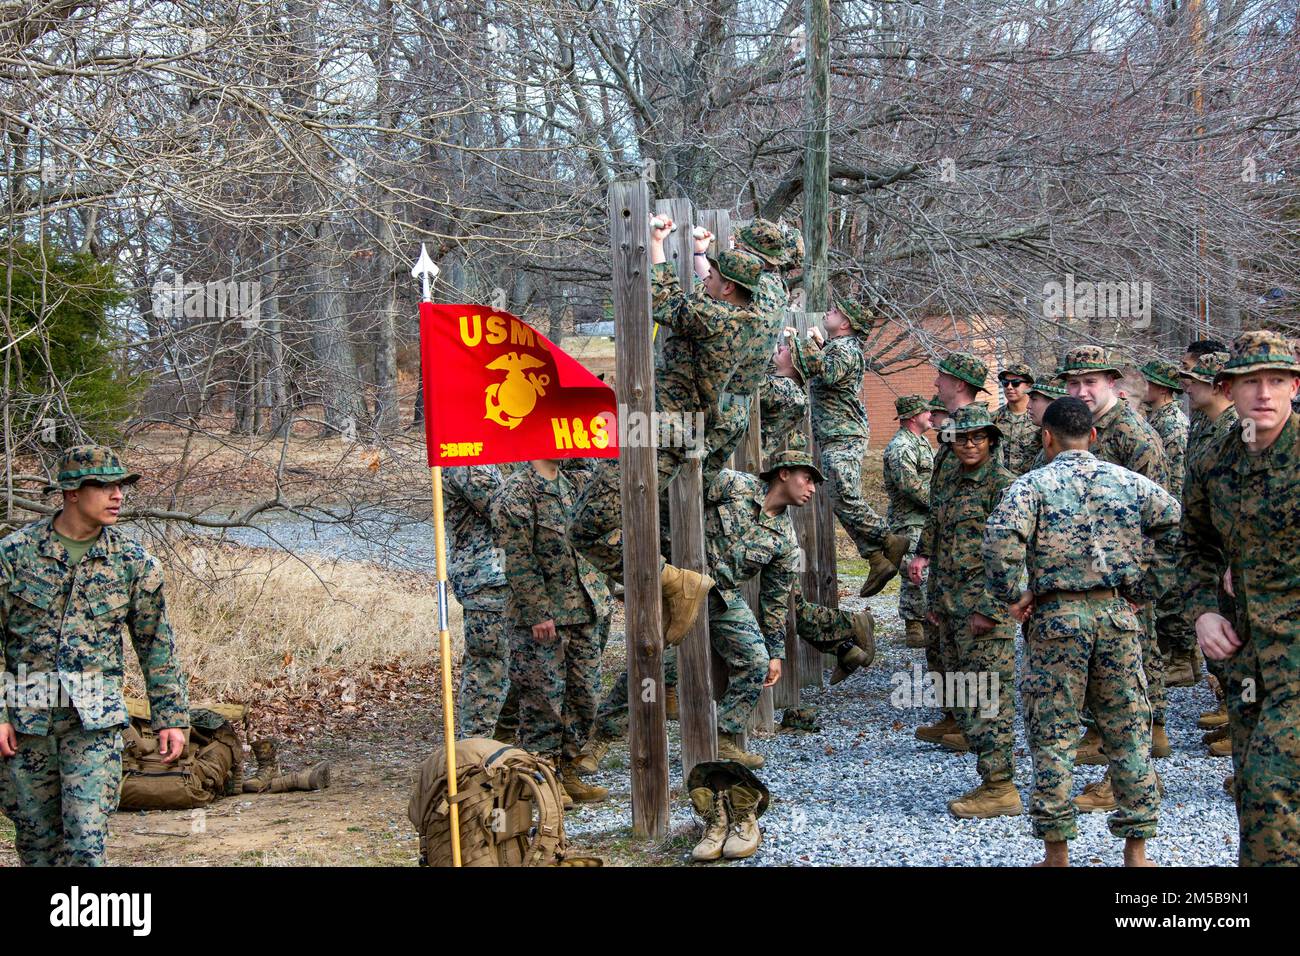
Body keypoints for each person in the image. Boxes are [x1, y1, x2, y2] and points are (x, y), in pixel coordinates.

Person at [983, 398, 1179, 867]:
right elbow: (1176, 526)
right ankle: (1137, 852)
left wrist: (1015, 595)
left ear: (1046, 437)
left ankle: (1057, 854)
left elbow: (998, 539)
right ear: (1093, 436)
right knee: (1128, 732)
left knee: (1054, 734)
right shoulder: (1131, 482)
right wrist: (1144, 589)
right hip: (1115, 616)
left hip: (1055, 620)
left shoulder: (1031, 485)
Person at [0, 445, 190, 866]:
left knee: (87, 845)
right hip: (28, 721)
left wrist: (171, 718)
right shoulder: (14, 555)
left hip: (94, 723)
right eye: (104, 486)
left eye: (120, 485)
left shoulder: (132, 562)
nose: (117, 495)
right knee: (37, 846)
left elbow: (156, 644)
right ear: (71, 492)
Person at [1181, 330, 1300, 866]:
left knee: (1273, 783)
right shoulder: (1215, 460)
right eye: (1252, 382)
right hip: (1249, 656)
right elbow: (1193, 546)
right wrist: (1204, 610)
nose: (1265, 394)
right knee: (1254, 787)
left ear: (1294, 386)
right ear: (1228, 388)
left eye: (1277, 381)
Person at [705, 450, 876, 768]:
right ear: (783, 474)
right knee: (657, 664)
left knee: (756, 663)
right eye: (808, 479)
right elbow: (682, 493)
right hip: (679, 582)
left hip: (720, 598)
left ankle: (724, 739)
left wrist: (774, 654)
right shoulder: (733, 485)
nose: (812, 488)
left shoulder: (785, 539)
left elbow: (775, 600)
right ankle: (600, 740)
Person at [1056, 345, 1171, 791]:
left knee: (1129, 679)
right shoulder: (1082, 429)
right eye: (1073, 383)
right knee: (1103, 676)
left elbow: (1162, 519)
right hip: (1089, 576)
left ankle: (1134, 778)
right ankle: (1106, 741)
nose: (1081, 391)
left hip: (1126, 580)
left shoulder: (1131, 436)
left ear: (1113, 385)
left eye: (1091, 383)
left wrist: (1143, 587)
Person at [908, 406, 1019, 819]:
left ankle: (1000, 787)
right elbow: (936, 532)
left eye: (978, 437)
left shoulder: (1004, 486)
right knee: (965, 695)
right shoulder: (950, 480)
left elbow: (1012, 553)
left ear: (992, 440)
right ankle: (989, 780)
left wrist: (991, 608)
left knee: (989, 697)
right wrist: (935, 601)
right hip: (951, 606)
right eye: (961, 438)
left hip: (983, 611)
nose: (970, 444)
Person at [491, 458, 613, 804]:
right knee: (543, 700)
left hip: (585, 610)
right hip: (543, 620)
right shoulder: (516, 492)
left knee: (585, 697)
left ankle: (568, 770)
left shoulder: (576, 484)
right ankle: (543, 780)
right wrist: (537, 611)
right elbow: (513, 557)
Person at [787, 300, 909, 597]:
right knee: (838, 496)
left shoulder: (845, 349)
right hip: (835, 435)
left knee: (844, 494)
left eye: (836, 311)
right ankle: (876, 557)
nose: (829, 311)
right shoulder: (838, 346)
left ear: (846, 324)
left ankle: (889, 539)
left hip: (844, 435)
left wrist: (799, 343)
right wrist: (818, 343)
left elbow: (827, 372)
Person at [912, 351, 991, 744]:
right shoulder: (951, 432)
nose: (936, 385)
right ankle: (956, 715)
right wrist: (926, 550)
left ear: (959, 383)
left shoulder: (977, 430)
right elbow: (940, 501)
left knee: (971, 647)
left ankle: (976, 725)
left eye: (941, 378)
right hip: (947, 556)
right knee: (943, 640)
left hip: (973, 560)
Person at [443, 464, 518, 741]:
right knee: (490, 668)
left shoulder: (492, 458)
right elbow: (506, 508)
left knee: (514, 665)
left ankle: (500, 746)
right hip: (486, 580)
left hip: (506, 576)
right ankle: (473, 754)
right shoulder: (466, 461)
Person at [1139, 360, 1195, 688]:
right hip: (1166, 509)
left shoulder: (1171, 423)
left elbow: (1174, 475)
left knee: (1172, 592)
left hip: (1171, 511)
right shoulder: (1158, 418)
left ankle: (1182, 659)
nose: (1143, 386)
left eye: (1148, 382)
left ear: (1161, 387)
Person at [882, 394, 934, 648]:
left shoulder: (920, 442)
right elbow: (909, 486)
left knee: (924, 568)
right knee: (914, 571)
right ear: (914, 416)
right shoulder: (901, 446)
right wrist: (939, 502)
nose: (931, 415)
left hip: (923, 518)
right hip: (909, 519)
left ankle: (925, 621)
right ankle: (914, 626)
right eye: (926, 411)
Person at [994, 363, 1040, 475]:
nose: (1009, 387)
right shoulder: (993, 419)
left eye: (1015, 383)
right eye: (1005, 383)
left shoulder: (1039, 419)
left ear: (1029, 386)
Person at [1025, 376, 1068, 470]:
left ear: (1054, 403)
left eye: (1034, 399)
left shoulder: (1067, 442)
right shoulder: (1039, 438)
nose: (1028, 406)